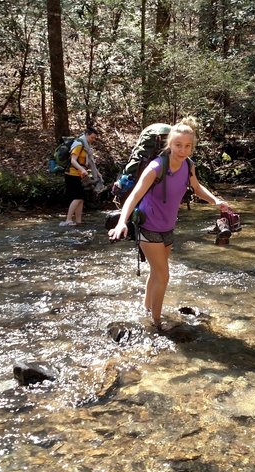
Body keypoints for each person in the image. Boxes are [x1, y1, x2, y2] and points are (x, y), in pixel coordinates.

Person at [108, 119, 229, 329]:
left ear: (192, 146)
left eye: (188, 146)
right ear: (170, 144)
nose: (183, 150)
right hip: (148, 226)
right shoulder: (156, 167)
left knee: (156, 272)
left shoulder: (189, 166)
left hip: (168, 228)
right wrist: (121, 223)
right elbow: (134, 196)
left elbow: (197, 188)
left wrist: (215, 201)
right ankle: (156, 322)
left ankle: (146, 310)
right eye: (178, 145)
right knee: (164, 275)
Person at [61, 127, 102, 226]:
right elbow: (73, 161)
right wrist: (82, 169)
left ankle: (78, 221)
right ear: (87, 134)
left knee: (81, 198)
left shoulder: (86, 146)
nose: (93, 140)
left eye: (94, 138)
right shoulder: (79, 144)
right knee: (77, 197)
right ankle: (68, 220)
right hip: (71, 174)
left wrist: (97, 172)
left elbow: (89, 161)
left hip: (79, 175)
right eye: (92, 137)